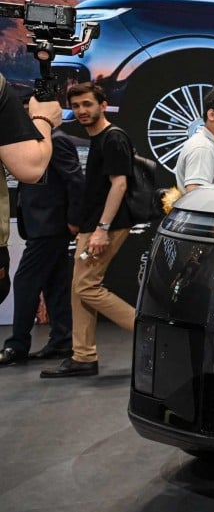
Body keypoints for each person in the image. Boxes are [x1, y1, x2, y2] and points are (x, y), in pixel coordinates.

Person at [40, 83, 136, 378]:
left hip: (107, 226)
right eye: (77, 105)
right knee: (78, 290)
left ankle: (147, 327)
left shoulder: (113, 138)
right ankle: (83, 356)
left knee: (86, 287)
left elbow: (120, 185)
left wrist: (102, 229)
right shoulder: (99, 138)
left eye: (87, 104)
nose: (82, 111)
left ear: (103, 105)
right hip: (92, 225)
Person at [0, 122, 84, 366]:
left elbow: (76, 181)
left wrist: (74, 220)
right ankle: (62, 341)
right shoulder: (40, 143)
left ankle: (17, 346)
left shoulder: (56, 140)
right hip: (43, 226)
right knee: (55, 283)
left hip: (51, 226)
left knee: (25, 281)